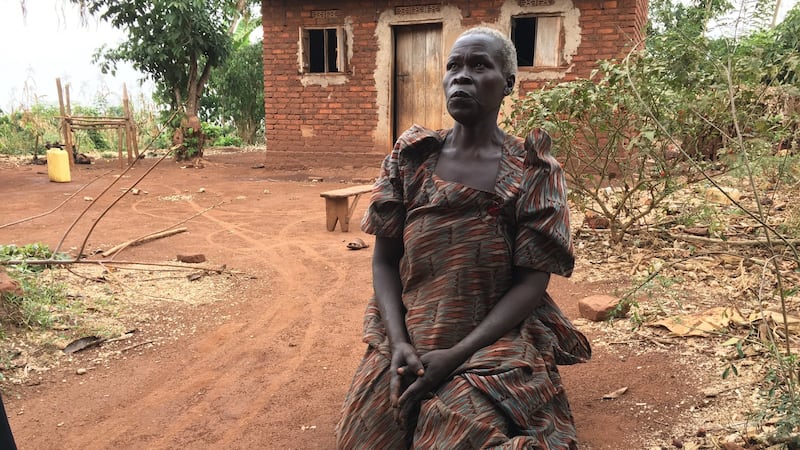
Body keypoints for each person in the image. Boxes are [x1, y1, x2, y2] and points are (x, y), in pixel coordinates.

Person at [336, 26, 591, 449]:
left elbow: (532, 281)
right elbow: (384, 261)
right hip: (411, 328)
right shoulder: (411, 157)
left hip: (494, 336)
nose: (462, 76)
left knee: (449, 437)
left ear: (508, 83)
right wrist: (399, 342)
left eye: (479, 65)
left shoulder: (532, 170)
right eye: (453, 65)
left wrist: (456, 356)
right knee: (363, 440)